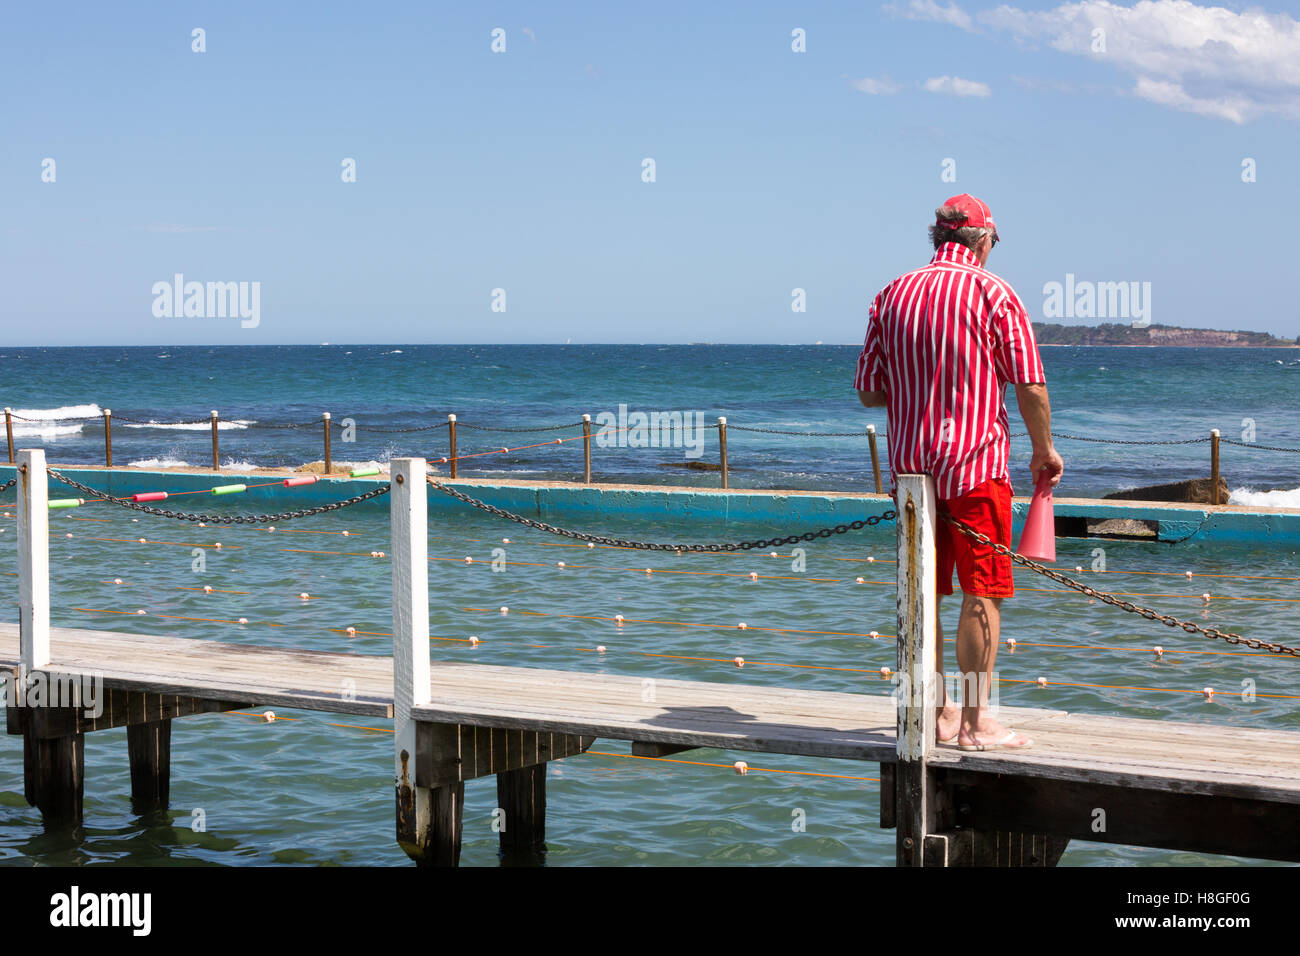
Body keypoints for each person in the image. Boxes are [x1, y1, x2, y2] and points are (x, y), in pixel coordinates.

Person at [854, 194, 1063, 751]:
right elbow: (1030, 385)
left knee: (926, 597)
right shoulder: (995, 293)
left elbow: (871, 392)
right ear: (985, 238)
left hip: (912, 477)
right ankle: (973, 725)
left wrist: (921, 387)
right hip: (977, 469)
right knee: (982, 594)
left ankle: (939, 713)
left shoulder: (890, 296)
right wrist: (1044, 450)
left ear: (938, 237)